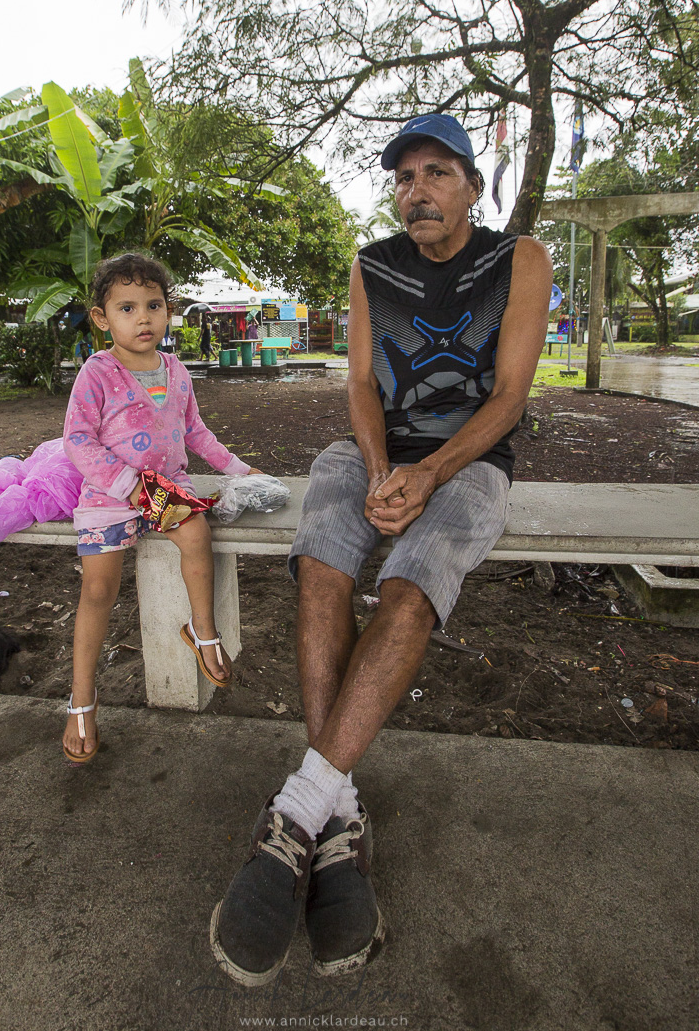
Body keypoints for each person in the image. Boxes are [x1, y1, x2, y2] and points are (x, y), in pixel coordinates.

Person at [210, 114, 552, 985]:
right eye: (404, 177)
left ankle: (298, 813)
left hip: (468, 463)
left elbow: (510, 398)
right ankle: (340, 812)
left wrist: (430, 472)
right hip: (370, 455)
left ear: (472, 187)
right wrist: (375, 471)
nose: (417, 190)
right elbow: (360, 381)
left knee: (408, 590)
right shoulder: (373, 265)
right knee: (322, 568)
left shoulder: (520, 259)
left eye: (437, 173)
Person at [61, 253, 259, 764]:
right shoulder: (97, 372)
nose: (143, 318)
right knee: (98, 590)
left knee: (196, 534)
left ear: (168, 311)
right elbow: (77, 439)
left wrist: (240, 469)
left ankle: (202, 629)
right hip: (111, 492)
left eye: (153, 305)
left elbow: (196, 432)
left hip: (165, 489)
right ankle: (82, 697)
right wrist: (126, 485)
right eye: (127, 308)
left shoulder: (176, 371)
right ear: (102, 317)